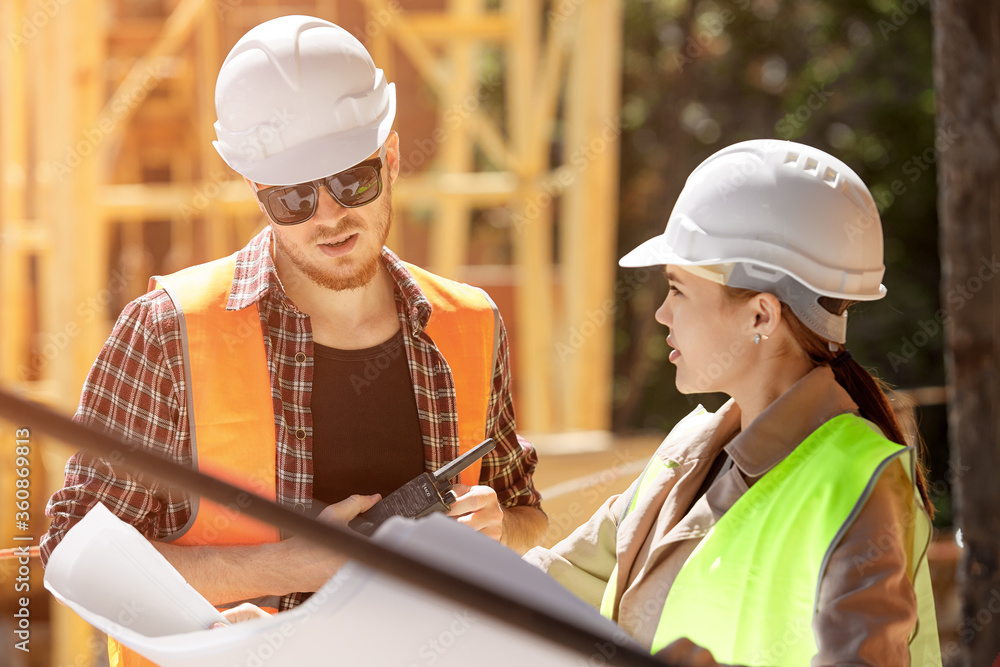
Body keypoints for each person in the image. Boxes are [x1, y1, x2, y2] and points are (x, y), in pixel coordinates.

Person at [41, 14, 547, 661]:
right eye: (294, 198)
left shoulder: (469, 323)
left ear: (390, 159)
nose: (329, 216)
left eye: (351, 181)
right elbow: (72, 553)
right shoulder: (168, 331)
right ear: (258, 191)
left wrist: (501, 530)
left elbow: (527, 510)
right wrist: (290, 566)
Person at [523, 139, 941, 666]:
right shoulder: (688, 452)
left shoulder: (860, 483)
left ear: (761, 316)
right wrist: (422, 553)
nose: (661, 314)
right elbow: (549, 587)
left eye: (677, 289)